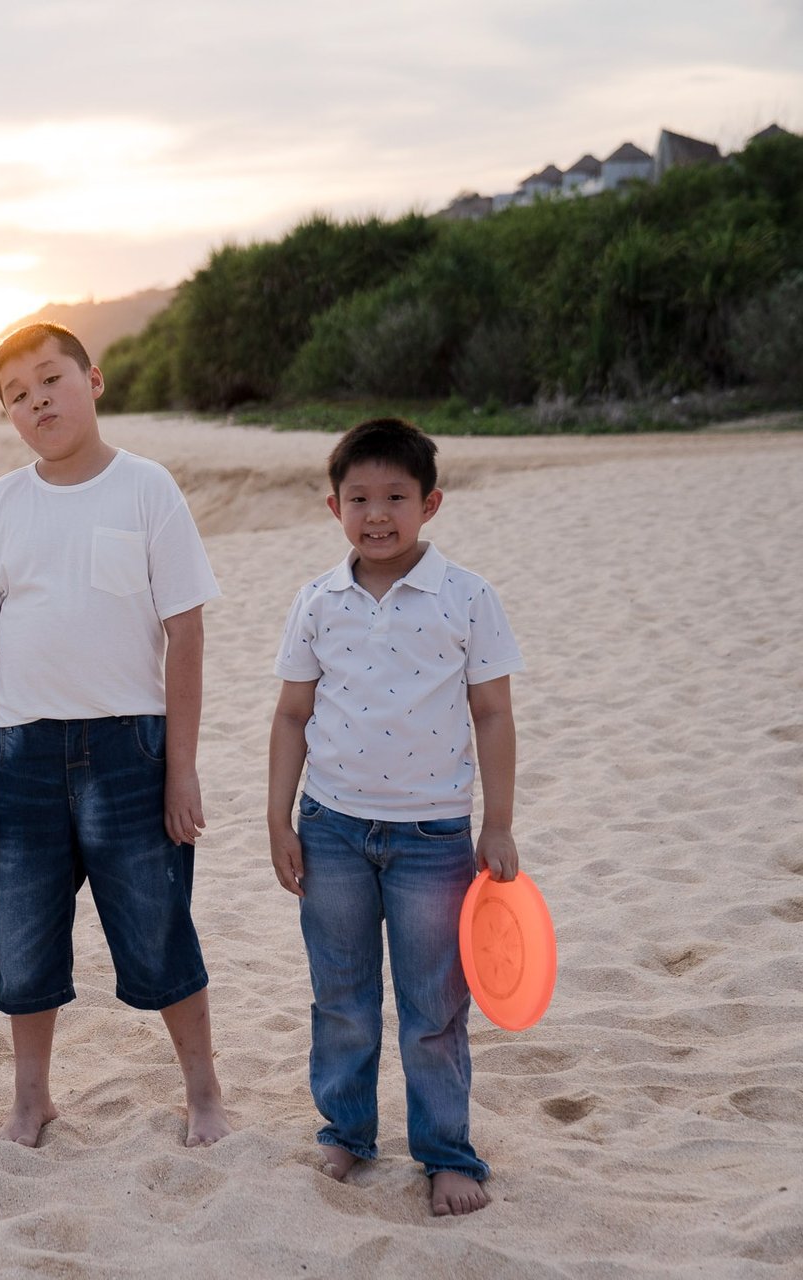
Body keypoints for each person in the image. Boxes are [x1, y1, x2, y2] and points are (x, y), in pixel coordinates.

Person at [0, 322, 231, 1148]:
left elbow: (187, 631)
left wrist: (182, 768)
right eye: (17, 395)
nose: (38, 402)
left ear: (92, 381)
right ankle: (31, 1100)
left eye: (50, 380)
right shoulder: (2, 505)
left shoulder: (146, 489)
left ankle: (203, 1092)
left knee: (158, 923)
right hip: (23, 757)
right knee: (24, 940)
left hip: (130, 752)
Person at [266, 417, 523, 1216]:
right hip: (333, 828)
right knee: (340, 996)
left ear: (431, 503)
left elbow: (493, 715)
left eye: (395, 498)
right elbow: (289, 717)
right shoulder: (317, 601)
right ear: (333, 506)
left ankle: (446, 1152)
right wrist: (279, 820)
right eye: (359, 498)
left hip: (434, 839)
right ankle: (346, 1131)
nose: (377, 514)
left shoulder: (466, 596)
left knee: (434, 1006)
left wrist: (499, 823)